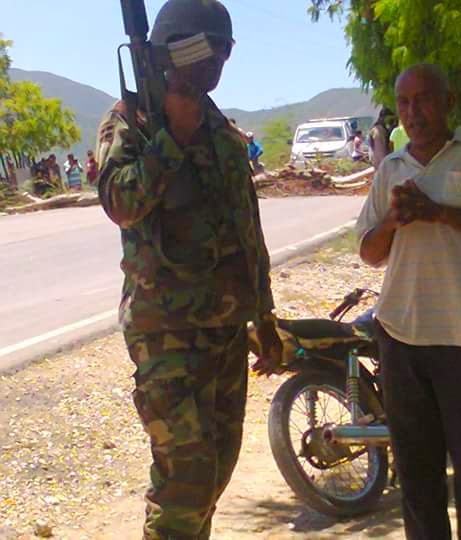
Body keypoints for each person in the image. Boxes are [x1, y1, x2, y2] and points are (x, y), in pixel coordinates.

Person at [95, 1, 282, 538]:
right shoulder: (132, 121)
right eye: (205, 48)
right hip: (167, 337)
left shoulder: (222, 132)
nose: (215, 61)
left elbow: (248, 232)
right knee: (185, 485)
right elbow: (119, 203)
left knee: (215, 473)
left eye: (224, 50)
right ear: (169, 52)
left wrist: (264, 316)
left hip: (225, 333)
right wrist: (171, 137)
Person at [356, 63, 461, 540]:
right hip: (400, 338)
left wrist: (439, 213)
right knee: (416, 471)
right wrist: (393, 220)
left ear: (449, 103)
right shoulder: (390, 168)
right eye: (404, 103)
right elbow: (369, 252)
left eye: (424, 99)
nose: (413, 112)